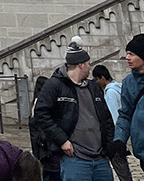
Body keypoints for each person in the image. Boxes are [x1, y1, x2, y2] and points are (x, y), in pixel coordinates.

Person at [31, 43, 115, 181]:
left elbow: (106, 118)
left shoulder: (93, 87)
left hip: (100, 159)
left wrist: (109, 145)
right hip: (75, 160)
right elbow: (40, 114)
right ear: (81, 65)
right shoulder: (54, 85)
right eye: (88, 64)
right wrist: (62, 140)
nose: (90, 68)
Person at [113, 35, 144, 176]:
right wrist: (119, 139)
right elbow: (125, 114)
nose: (127, 57)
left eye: (131, 54)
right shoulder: (128, 82)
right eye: (127, 53)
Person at [94, 68, 131, 181]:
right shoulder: (119, 88)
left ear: (103, 78)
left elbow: (113, 114)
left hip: (115, 137)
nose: (96, 82)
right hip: (123, 132)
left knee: (121, 169)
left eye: (97, 79)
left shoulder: (110, 93)